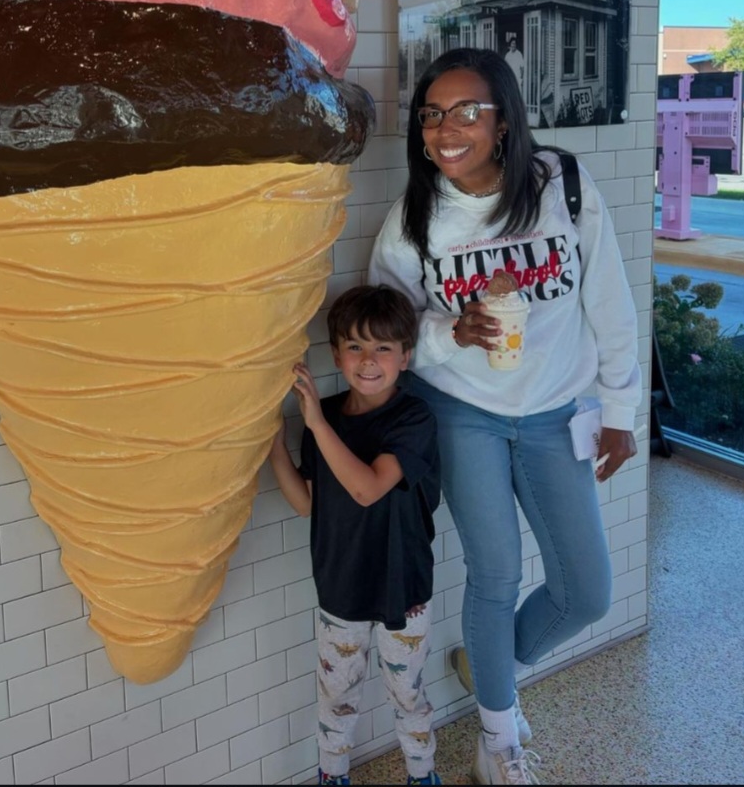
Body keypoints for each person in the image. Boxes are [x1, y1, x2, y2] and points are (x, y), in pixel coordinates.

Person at [368, 47, 641, 786]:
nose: (444, 129)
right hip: (463, 414)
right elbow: (387, 334)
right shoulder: (414, 219)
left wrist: (621, 409)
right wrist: (444, 333)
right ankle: (499, 737)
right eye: (431, 114)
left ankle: (495, 666)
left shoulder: (564, 186)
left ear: (504, 121)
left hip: (556, 413)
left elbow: (610, 305)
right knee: (495, 574)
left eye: (466, 112)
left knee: (585, 590)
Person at [268, 285, 443, 787]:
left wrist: (317, 424)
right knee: (335, 696)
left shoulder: (414, 418)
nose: (369, 360)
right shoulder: (319, 418)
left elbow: (367, 489)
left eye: (383, 348)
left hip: (403, 588)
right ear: (336, 354)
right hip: (340, 584)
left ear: (405, 357)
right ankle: (332, 776)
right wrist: (275, 444)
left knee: (407, 693)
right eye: (355, 347)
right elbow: (308, 503)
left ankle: (422, 775)